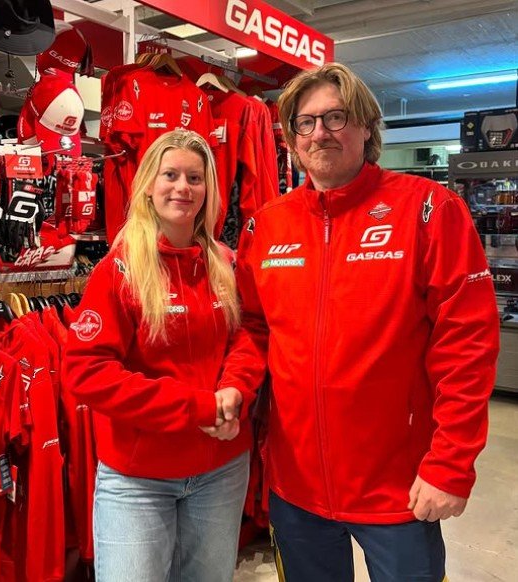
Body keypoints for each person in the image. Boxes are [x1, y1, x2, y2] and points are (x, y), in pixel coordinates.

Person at [217, 63, 500, 581]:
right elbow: (254, 330)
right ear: (291, 138)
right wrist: (236, 384)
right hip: (296, 486)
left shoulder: (429, 210)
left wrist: (451, 463)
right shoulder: (266, 225)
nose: (319, 133)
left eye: (336, 117)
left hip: (400, 488)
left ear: (366, 126)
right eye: (305, 122)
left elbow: (467, 345)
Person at [63, 129, 253, 582]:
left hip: (221, 472)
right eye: (170, 175)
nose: (182, 188)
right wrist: (196, 407)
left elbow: (247, 339)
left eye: (195, 178)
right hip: (137, 479)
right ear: (149, 184)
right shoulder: (119, 269)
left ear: (208, 189)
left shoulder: (226, 263)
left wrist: (235, 389)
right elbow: (86, 372)